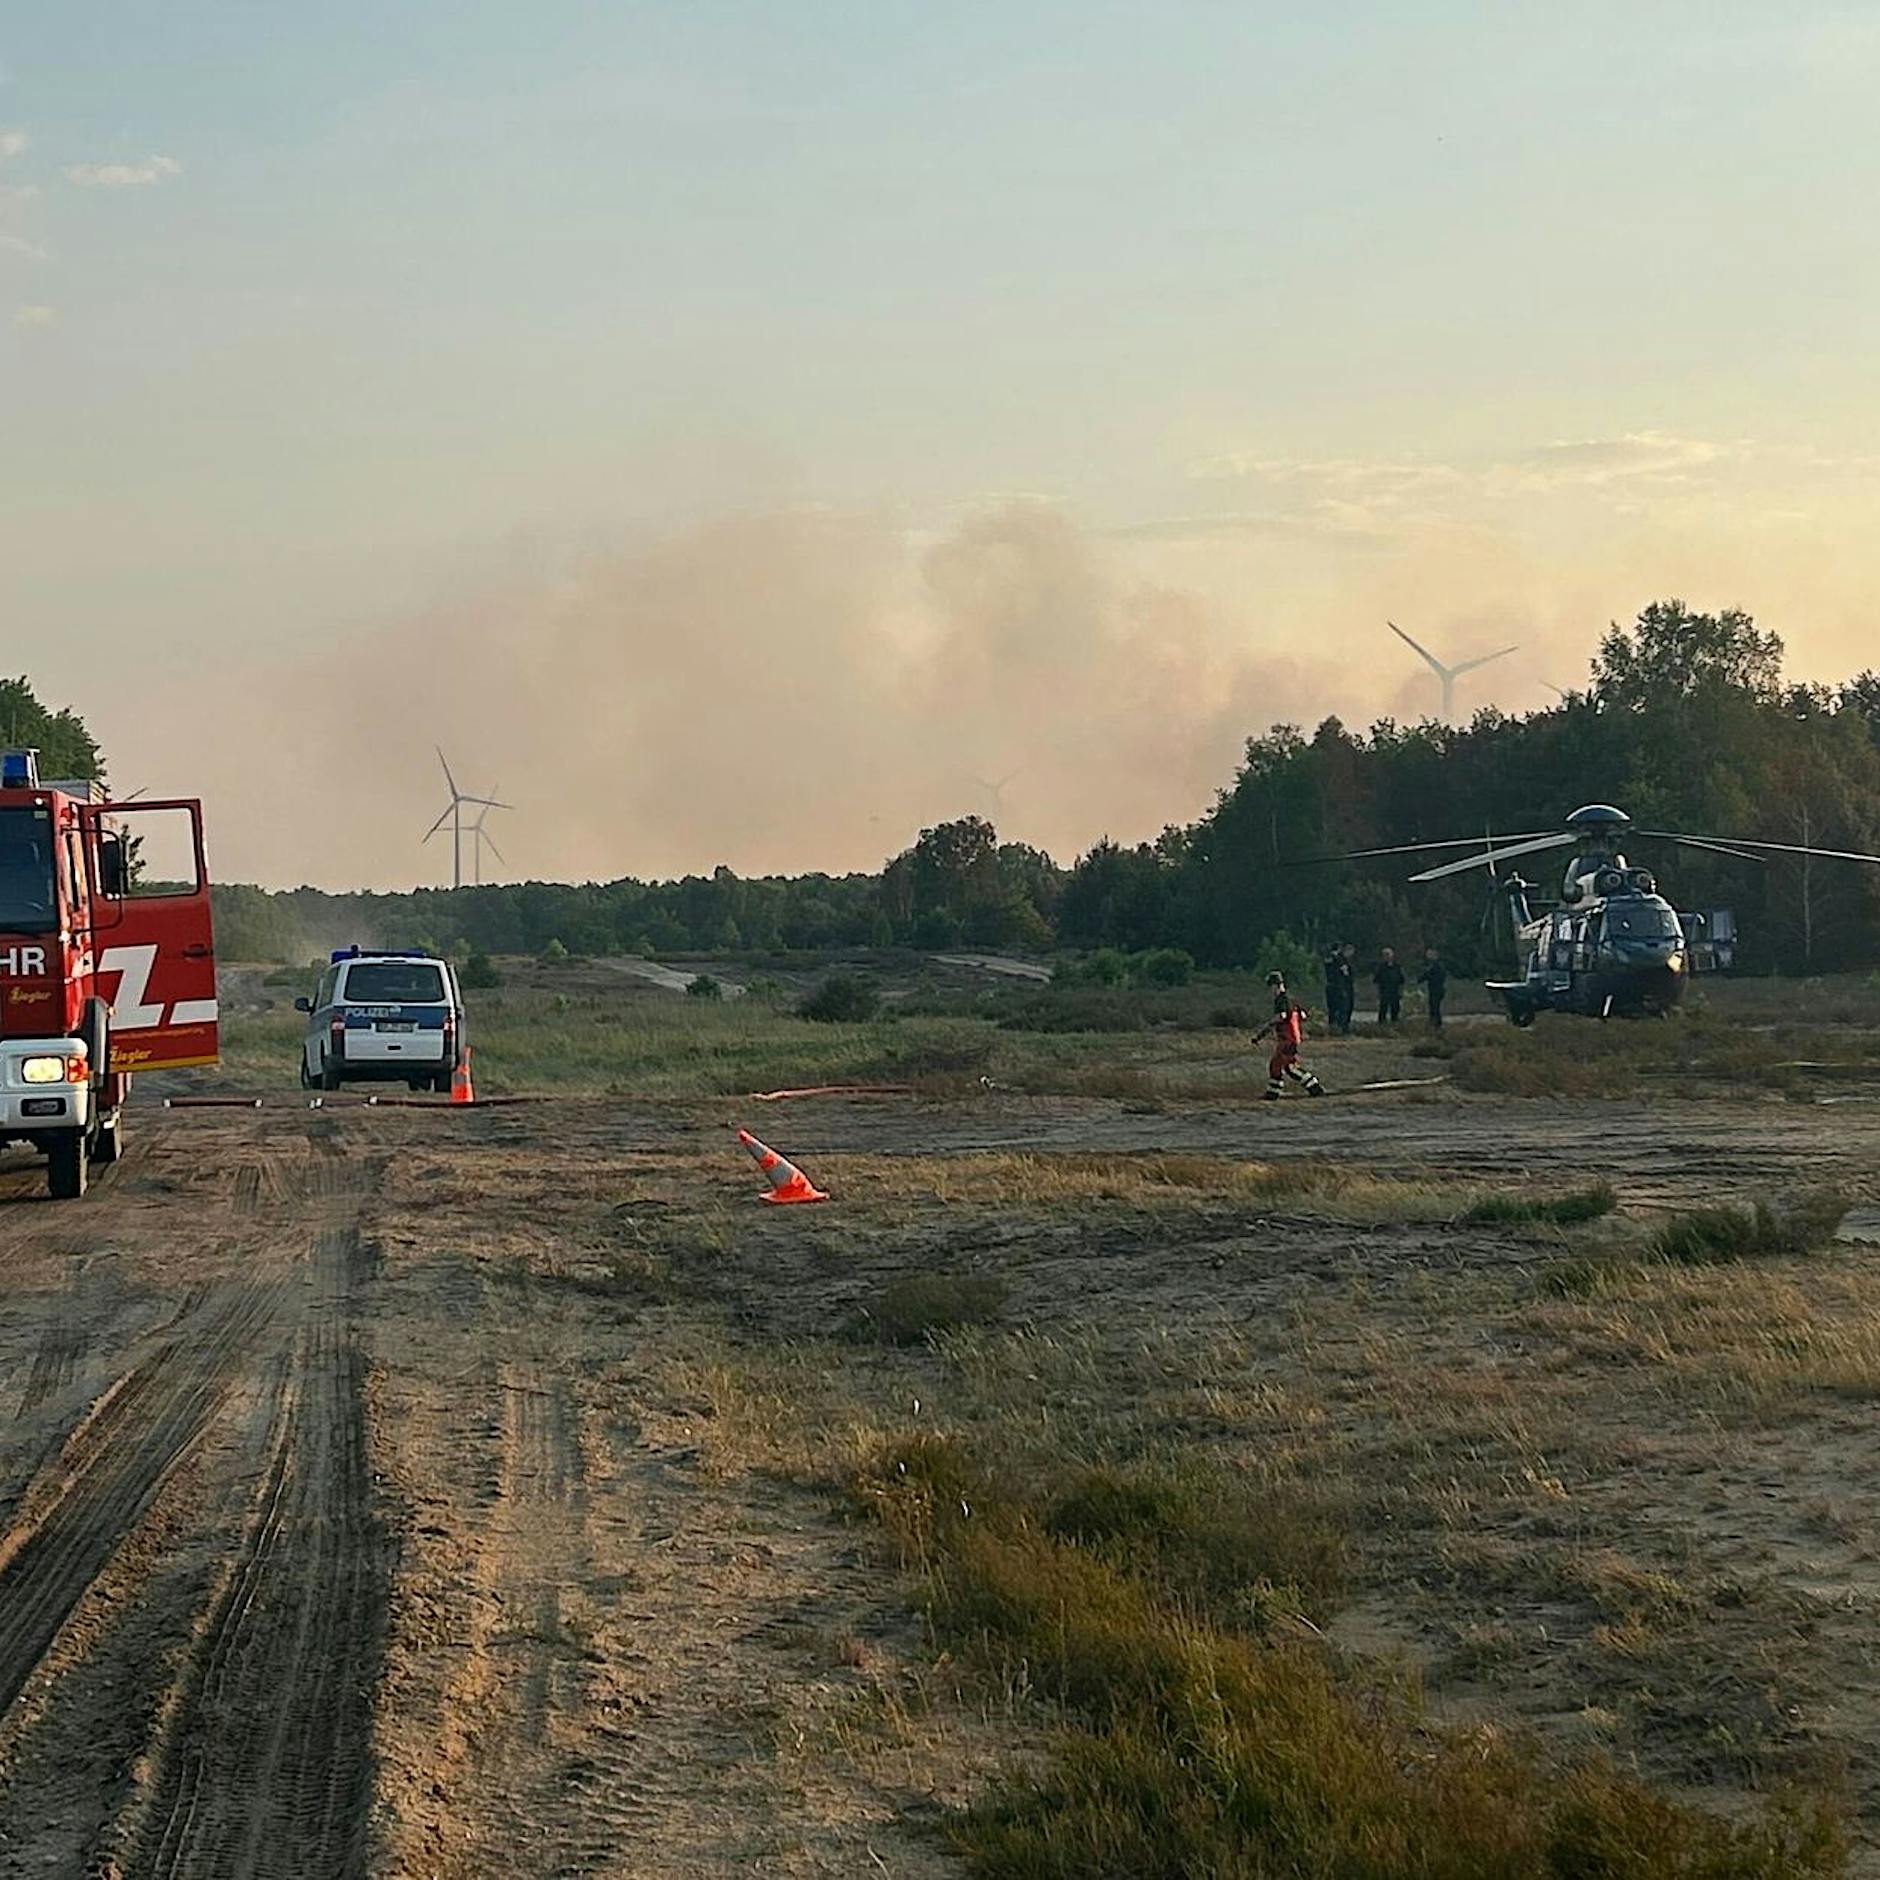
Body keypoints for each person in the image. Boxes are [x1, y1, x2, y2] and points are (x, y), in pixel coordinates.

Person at [1252, 970, 1325, 1101]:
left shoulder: (1281, 999)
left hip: (1287, 1039)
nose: (1270, 990)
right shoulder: (1291, 998)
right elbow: (1302, 1014)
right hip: (1291, 1038)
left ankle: (1313, 1087)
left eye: (1271, 987)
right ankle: (1277, 1091)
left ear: (1275, 985)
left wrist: (1266, 1028)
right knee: (1284, 1066)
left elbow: (1282, 1016)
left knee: (1282, 1066)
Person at [1322, 942, 1355, 1036]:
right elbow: (1345, 974)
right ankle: (1342, 1029)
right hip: (1340, 987)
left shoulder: (1329, 959)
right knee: (1342, 1009)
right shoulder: (1340, 960)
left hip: (1332, 986)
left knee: (1333, 1010)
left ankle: (1333, 1028)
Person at [1373, 946, 1405, 1025]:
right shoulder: (1380, 967)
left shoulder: (1397, 967)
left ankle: (1394, 1025)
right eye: (1384, 954)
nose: (1386, 956)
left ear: (1392, 955)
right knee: (1383, 1010)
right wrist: (1378, 993)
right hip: (1384, 993)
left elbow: (1402, 981)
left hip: (1395, 992)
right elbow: (1376, 981)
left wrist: (1401, 992)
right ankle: (1381, 1025)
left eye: (1388, 954)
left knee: (1395, 1010)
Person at [1418, 947, 1447, 1027]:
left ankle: (1437, 1024)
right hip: (1433, 989)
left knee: (1435, 1007)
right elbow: (1426, 975)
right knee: (1433, 1006)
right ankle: (1434, 1023)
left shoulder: (1438, 966)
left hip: (1437, 989)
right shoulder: (1432, 966)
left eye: (1429, 955)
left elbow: (1435, 976)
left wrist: (1426, 977)